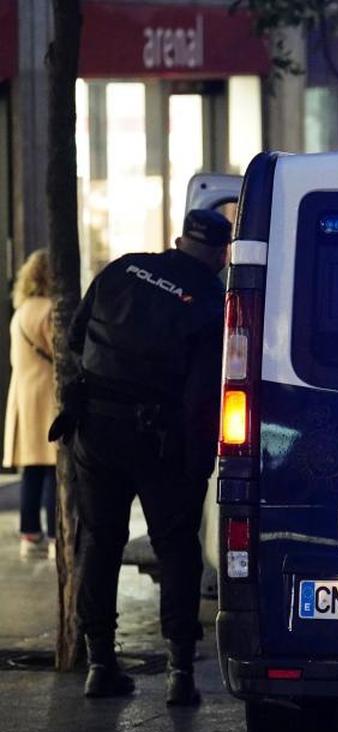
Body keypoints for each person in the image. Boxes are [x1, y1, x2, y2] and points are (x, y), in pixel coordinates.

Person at [52, 209, 229, 704]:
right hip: (161, 438)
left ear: (176, 240)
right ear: (221, 256)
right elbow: (204, 390)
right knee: (175, 547)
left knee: (100, 542)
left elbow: (74, 338)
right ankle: (179, 675)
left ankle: (100, 664)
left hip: (95, 430)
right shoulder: (213, 301)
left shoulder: (123, 268)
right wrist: (199, 460)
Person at [3, 249, 58, 557]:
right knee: (52, 466)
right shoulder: (50, 310)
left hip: (23, 397)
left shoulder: (20, 311)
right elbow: (58, 353)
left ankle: (29, 533)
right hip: (46, 396)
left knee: (32, 470)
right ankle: (54, 535)